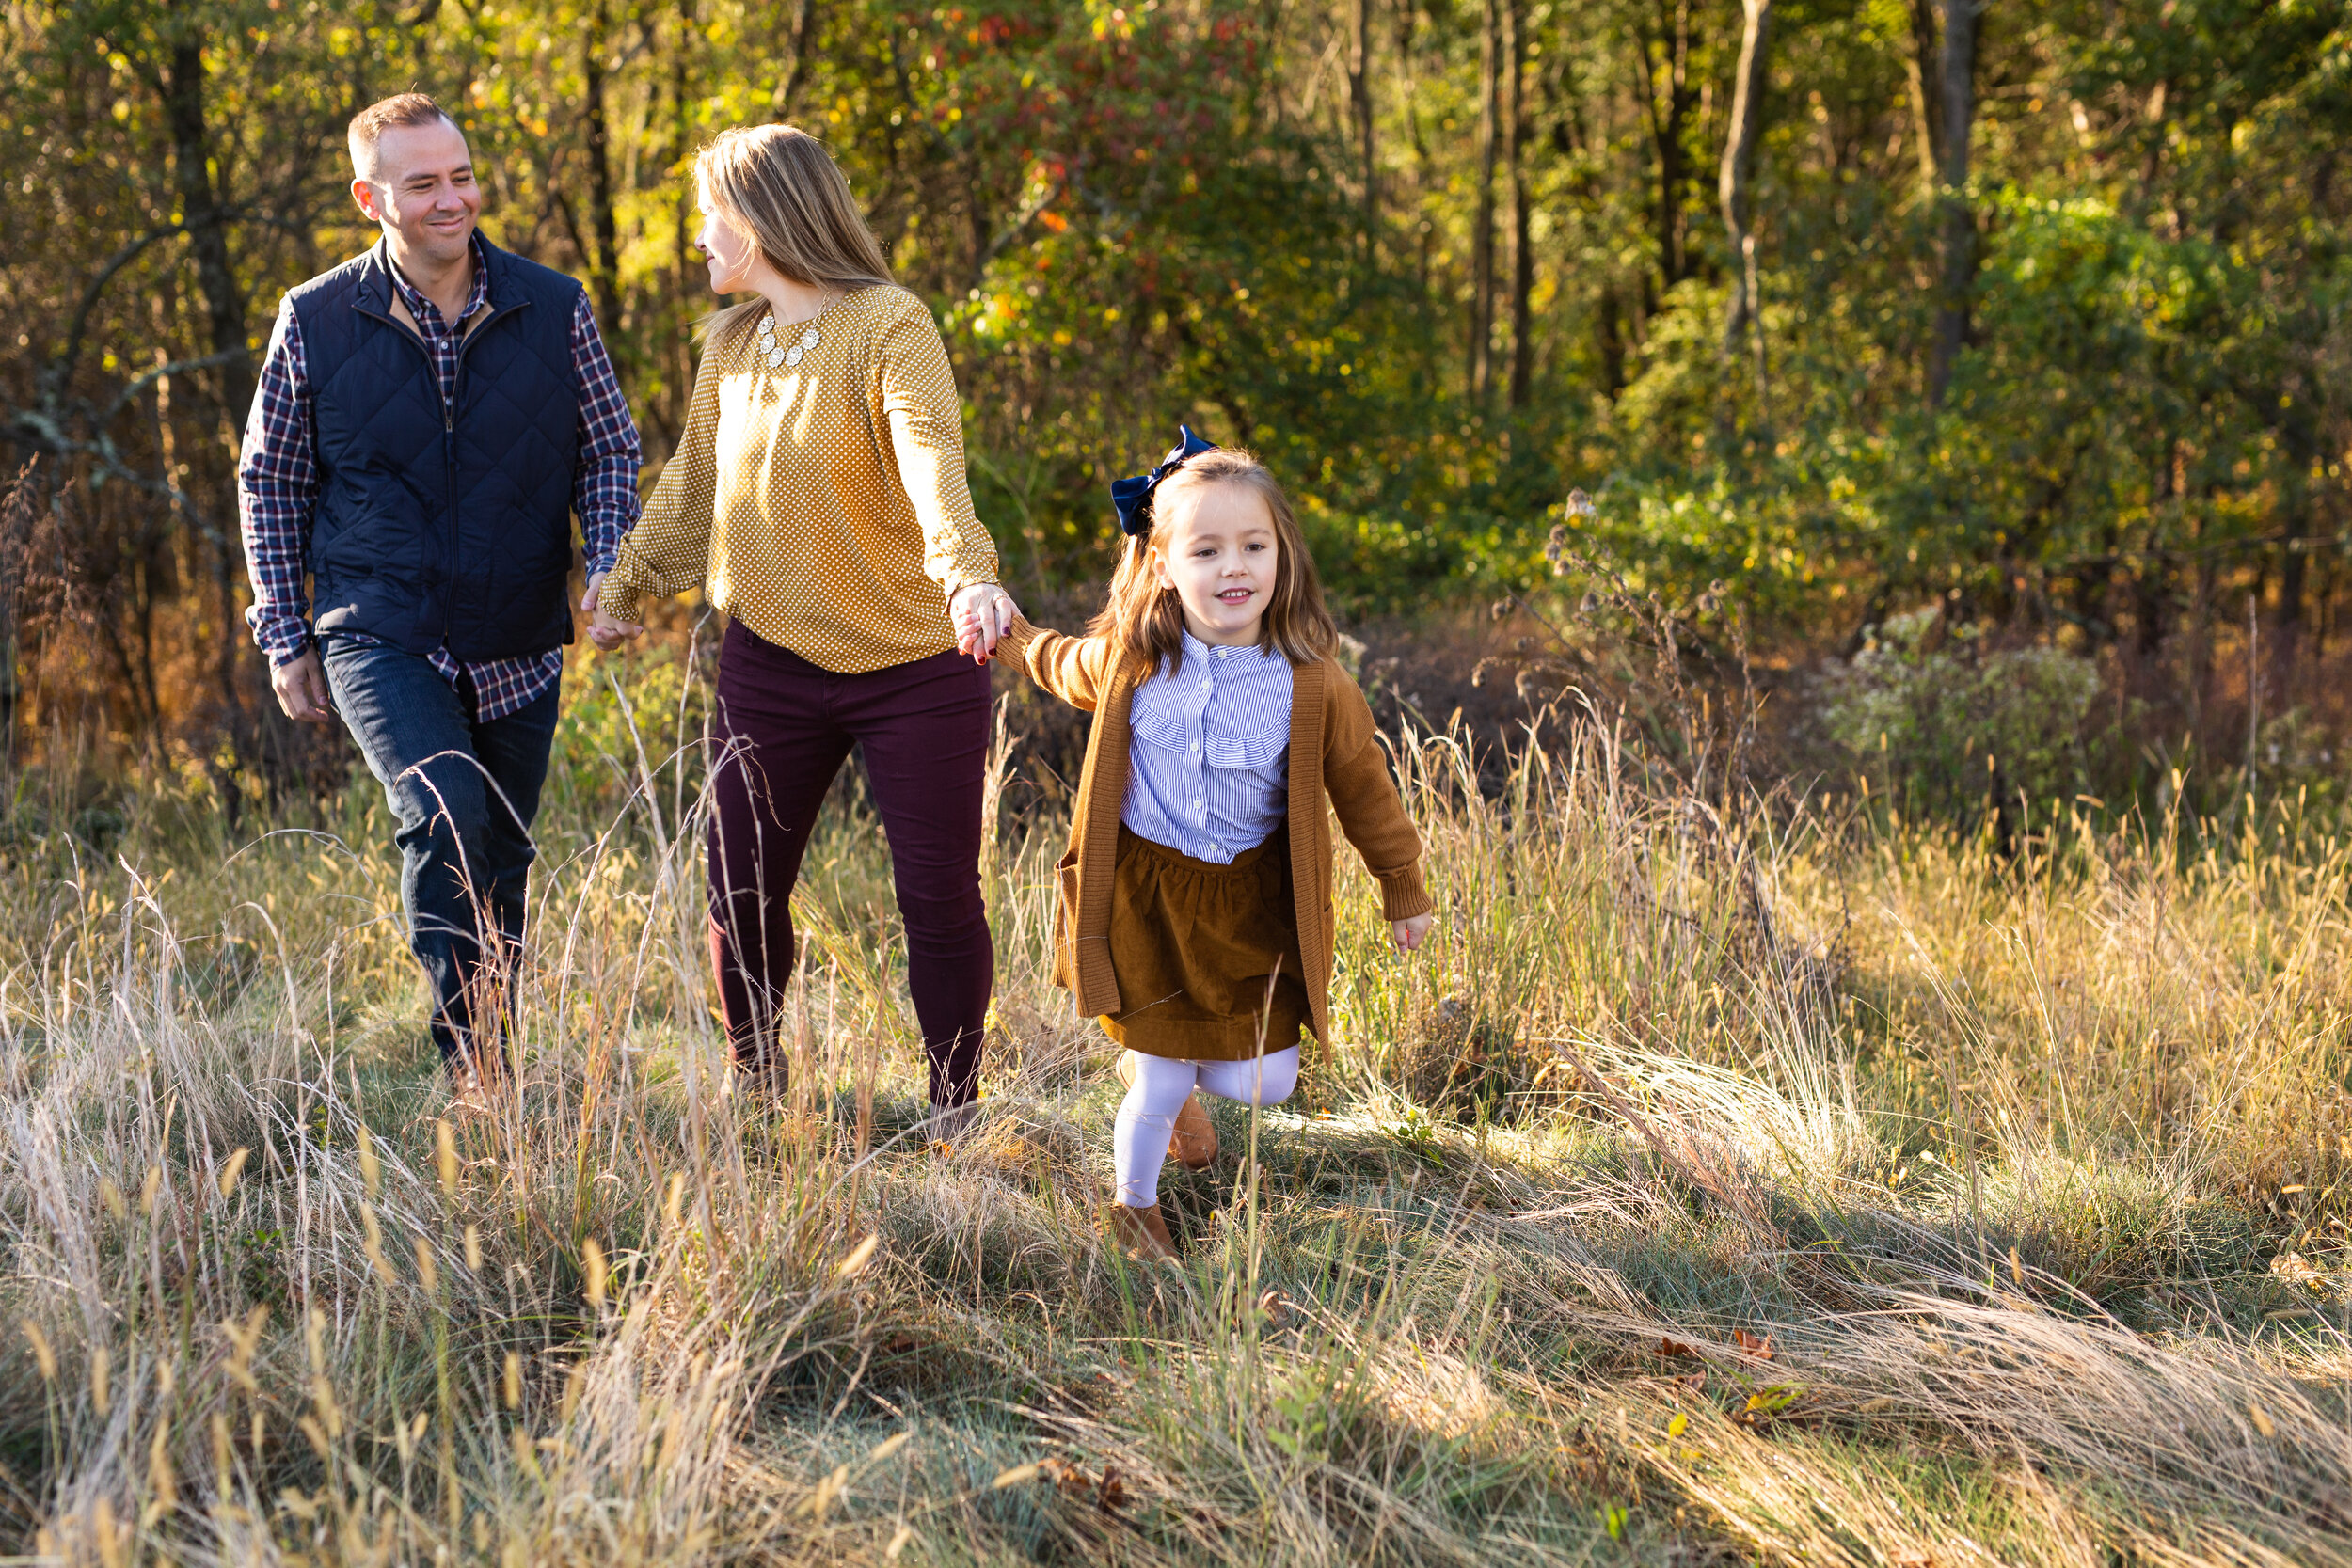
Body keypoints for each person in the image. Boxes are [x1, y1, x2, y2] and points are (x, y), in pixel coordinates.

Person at [589, 125, 1019, 1127]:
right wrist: (626, 583)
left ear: (762, 217)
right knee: (738, 883)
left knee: (936, 898)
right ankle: (756, 1080)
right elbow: (695, 483)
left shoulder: (887, 323)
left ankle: (956, 1103)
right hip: (768, 662)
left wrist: (965, 572)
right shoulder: (729, 343)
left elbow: (929, 455)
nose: (697, 238)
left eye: (708, 215)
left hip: (917, 659)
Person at [238, 93, 642, 1104]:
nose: (452, 198)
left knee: (501, 852)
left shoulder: (556, 306)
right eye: (424, 183)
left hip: (518, 628)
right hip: (379, 629)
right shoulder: (317, 319)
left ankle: (493, 1036)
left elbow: (609, 449)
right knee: (445, 813)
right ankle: (470, 1063)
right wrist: (285, 633)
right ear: (371, 196)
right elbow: (271, 480)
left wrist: (610, 565)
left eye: (460, 175)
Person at [980, 430, 1436, 1259]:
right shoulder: (1134, 660)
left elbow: (1365, 785)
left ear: (1282, 557)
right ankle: (1134, 1206)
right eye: (1209, 548)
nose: (1236, 567)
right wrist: (1006, 630)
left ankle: (1176, 1088)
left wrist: (1400, 883)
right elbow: (1054, 661)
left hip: (1249, 907)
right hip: (1145, 896)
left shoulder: (1312, 682)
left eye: (1254, 546)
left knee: (1263, 1080)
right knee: (1159, 1071)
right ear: (1162, 564)